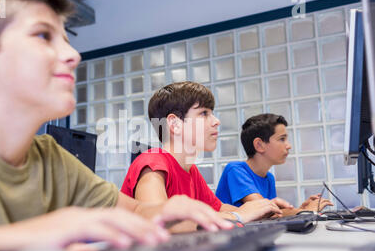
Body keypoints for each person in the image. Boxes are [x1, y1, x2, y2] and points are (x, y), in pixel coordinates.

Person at [0, 0, 233, 251]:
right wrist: (38, 235)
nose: (73, 54)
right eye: (43, 35)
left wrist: (168, 210)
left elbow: (137, 211)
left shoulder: (53, 159)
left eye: (65, 39)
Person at [121, 82, 293, 232]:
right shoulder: (152, 160)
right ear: (174, 124)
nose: (216, 121)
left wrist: (262, 210)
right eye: (204, 113)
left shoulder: (191, 170)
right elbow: (157, 222)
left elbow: (218, 208)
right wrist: (237, 215)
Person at [215, 113, 333, 216]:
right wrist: (305, 212)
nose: (288, 146)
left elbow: (272, 215)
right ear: (259, 145)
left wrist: (301, 209)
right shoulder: (235, 170)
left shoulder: (269, 178)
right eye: (282, 139)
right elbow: (265, 211)